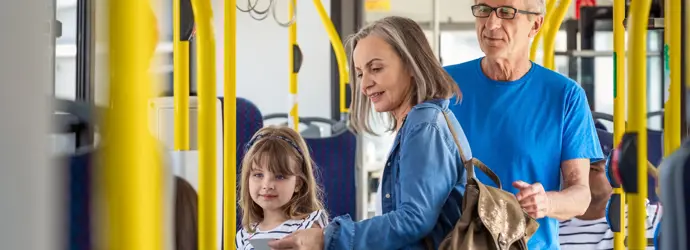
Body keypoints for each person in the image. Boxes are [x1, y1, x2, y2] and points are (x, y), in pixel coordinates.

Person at [268, 16, 472, 250]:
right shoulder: (417, 124)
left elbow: (415, 219)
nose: (365, 85)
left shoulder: (423, 124)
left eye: (376, 69)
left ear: (412, 66)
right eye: (360, 73)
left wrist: (329, 237)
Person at [444, 0, 604, 249]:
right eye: (483, 10)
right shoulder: (444, 86)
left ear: (535, 24)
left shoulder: (565, 95)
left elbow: (581, 195)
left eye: (506, 12)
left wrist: (546, 202)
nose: (491, 23)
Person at [559, 129, 663, 250]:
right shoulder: (550, 227)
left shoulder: (647, 216)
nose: (579, 176)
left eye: (592, 169)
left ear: (615, 173)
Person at [235, 126, 329, 250]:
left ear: (298, 183)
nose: (267, 185)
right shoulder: (244, 235)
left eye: (279, 176)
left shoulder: (309, 226)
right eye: (258, 175)